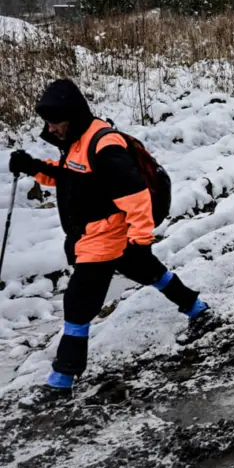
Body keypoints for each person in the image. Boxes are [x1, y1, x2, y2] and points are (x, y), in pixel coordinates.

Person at [8, 79, 216, 409]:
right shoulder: (77, 142)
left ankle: (61, 380)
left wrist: (142, 237)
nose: (50, 128)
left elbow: (136, 196)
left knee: (78, 303)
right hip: (95, 232)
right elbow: (69, 179)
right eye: (48, 123)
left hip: (107, 234)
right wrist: (33, 167)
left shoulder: (103, 145)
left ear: (72, 117)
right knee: (147, 271)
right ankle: (198, 310)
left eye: (55, 122)